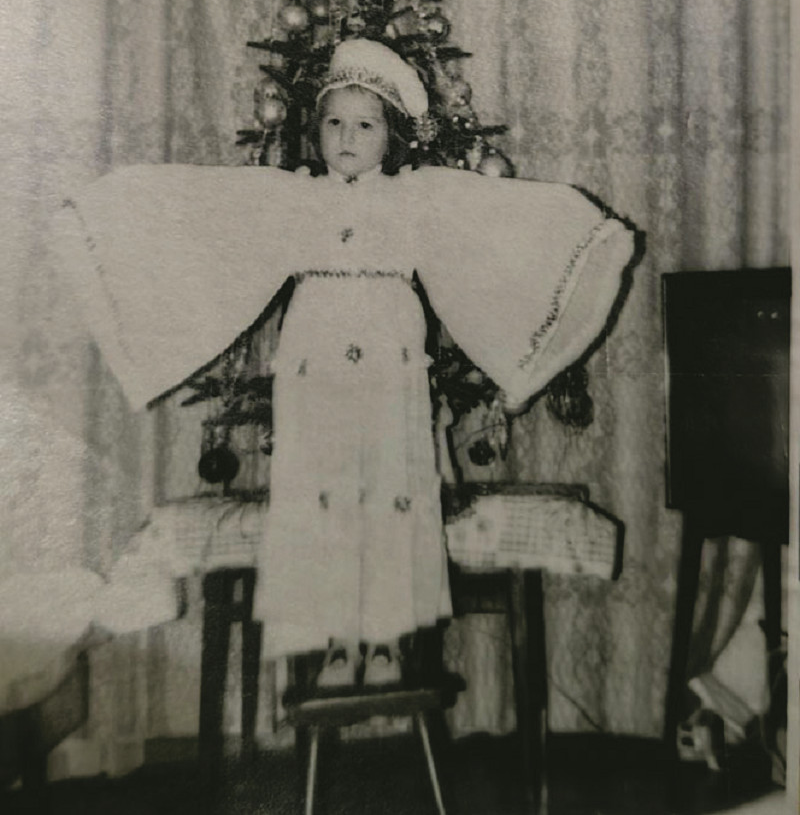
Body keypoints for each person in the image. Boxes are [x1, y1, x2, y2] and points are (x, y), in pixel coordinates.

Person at [55, 38, 639, 690]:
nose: (347, 137)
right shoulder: (293, 199)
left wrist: (580, 251)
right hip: (317, 365)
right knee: (321, 495)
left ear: (391, 137)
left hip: (390, 364)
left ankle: (386, 640)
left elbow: (497, 225)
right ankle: (334, 644)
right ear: (316, 131)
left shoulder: (417, 198)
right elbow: (204, 213)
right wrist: (107, 220)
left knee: (390, 492)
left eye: (365, 125)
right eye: (334, 122)